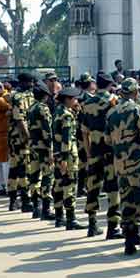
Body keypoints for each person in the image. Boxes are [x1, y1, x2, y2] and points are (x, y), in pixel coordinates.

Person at [107, 78, 140, 256]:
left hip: (120, 164)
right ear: (135, 92)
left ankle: (130, 241)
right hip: (137, 162)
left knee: (127, 203)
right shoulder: (136, 109)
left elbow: (108, 140)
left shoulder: (111, 112)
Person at [79, 72, 122, 238]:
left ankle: (92, 224)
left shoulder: (87, 103)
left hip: (95, 151)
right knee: (113, 188)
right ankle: (113, 227)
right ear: (110, 85)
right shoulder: (113, 101)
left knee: (93, 186)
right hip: (110, 151)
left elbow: (84, 132)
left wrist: (89, 152)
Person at [52, 87, 85, 230]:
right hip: (68, 155)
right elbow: (66, 139)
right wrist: (65, 158)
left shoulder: (57, 112)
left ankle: (59, 217)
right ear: (68, 100)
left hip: (58, 153)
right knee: (70, 185)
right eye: (75, 99)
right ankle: (71, 219)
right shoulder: (67, 115)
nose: (77, 101)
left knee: (59, 184)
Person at [7, 72, 35, 212]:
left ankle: (13, 199)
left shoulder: (18, 96)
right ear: (25, 82)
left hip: (14, 137)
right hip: (21, 138)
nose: (32, 85)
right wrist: (28, 137)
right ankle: (25, 200)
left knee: (14, 167)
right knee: (24, 168)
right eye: (30, 82)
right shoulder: (18, 97)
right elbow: (19, 119)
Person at [27, 82, 55, 221]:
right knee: (47, 176)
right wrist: (50, 150)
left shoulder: (31, 108)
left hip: (33, 146)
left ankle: (36, 207)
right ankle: (46, 209)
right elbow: (47, 131)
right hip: (43, 147)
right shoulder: (43, 108)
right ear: (45, 96)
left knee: (34, 177)